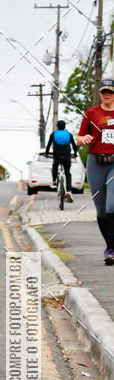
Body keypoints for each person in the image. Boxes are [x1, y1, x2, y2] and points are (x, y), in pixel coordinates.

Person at [78, 78, 114, 265]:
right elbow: (79, 137)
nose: (107, 94)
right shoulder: (91, 113)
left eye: (110, 91)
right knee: (101, 210)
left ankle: (112, 248)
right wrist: (83, 139)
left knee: (112, 206)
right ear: (100, 93)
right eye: (103, 92)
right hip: (95, 162)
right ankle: (109, 247)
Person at [45, 119, 77, 202]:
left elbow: (48, 145)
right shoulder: (69, 135)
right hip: (66, 156)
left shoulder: (53, 134)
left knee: (55, 165)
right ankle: (69, 190)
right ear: (65, 126)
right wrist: (75, 154)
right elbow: (74, 145)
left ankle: (54, 182)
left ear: (57, 126)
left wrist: (46, 153)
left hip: (57, 155)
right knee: (68, 173)